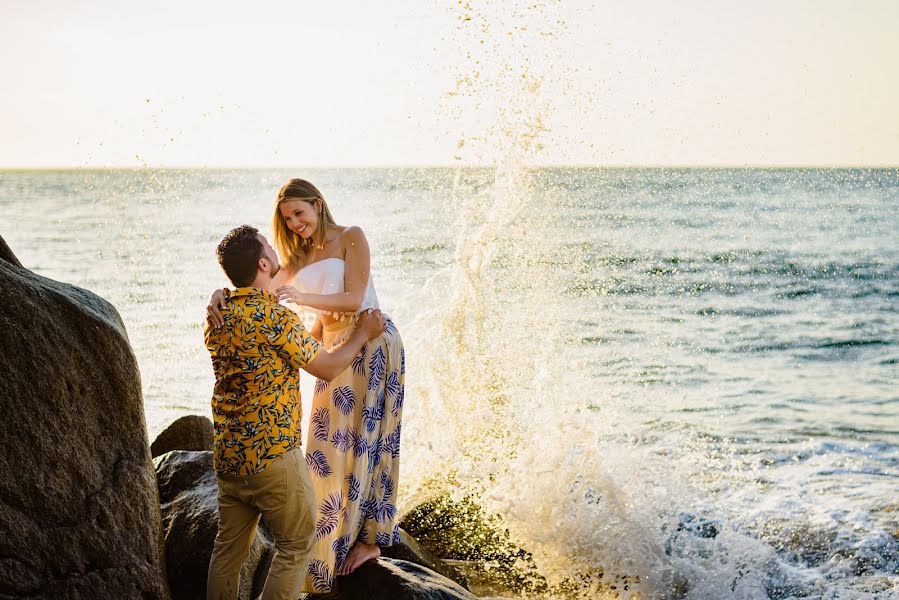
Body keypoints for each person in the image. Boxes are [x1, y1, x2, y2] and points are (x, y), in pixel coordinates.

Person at [207, 179, 405, 593]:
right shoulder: (294, 260)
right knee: (327, 447)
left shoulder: (352, 237)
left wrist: (303, 298)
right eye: (286, 219)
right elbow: (252, 289)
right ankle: (327, 550)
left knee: (371, 438)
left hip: (369, 340)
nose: (294, 224)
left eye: (299, 213)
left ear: (317, 204)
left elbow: (354, 298)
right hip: (330, 350)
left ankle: (370, 540)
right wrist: (218, 294)